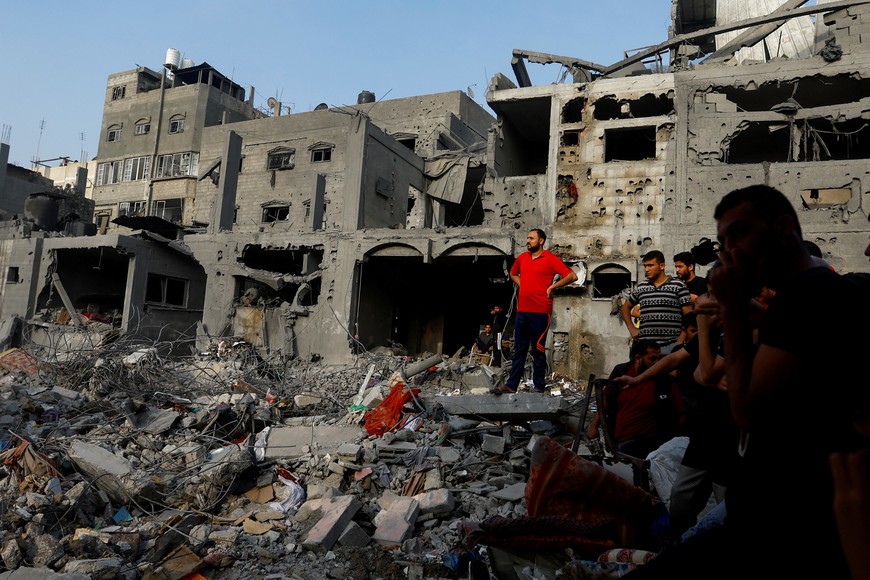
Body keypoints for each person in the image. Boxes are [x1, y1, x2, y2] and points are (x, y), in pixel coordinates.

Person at [625, 184, 868, 579]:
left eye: (739, 233)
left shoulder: (814, 295)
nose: (730, 250)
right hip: (769, 504)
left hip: (793, 512)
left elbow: (744, 405)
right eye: (723, 240)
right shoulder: (797, 299)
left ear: (784, 227)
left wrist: (734, 309)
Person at [491, 229, 576, 394]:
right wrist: (522, 284)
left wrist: (553, 286)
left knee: (537, 350)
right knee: (519, 350)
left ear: (541, 241)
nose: (528, 240)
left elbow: (572, 276)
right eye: (527, 238)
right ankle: (511, 385)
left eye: (531, 238)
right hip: (522, 311)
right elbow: (513, 273)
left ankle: (538, 387)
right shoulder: (522, 258)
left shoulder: (550, 259)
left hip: (541, 312)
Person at [587, 339, 685, 459]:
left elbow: (680, 414)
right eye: (652, 359)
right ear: (638, 358)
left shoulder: (665, 381)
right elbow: (606, 400)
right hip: (619, 441)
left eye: (659, 359)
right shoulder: (621, 372)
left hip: (652, 445)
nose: (657, 363)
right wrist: (594, 426)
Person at [621, 250, 693, 355]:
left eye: (650, 265)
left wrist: (680, 342)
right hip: (646, 347)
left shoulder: (678, 286)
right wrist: (632, 329)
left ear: (662, 266)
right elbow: (625, 308)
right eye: (645, 266)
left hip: (671, 345)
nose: (647, 269)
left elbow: (689, 317)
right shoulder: (642, 287)